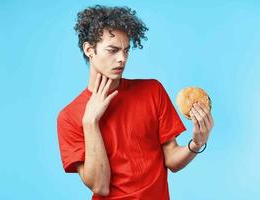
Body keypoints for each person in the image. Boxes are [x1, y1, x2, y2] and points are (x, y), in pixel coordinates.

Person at [57, 5, 214, 200]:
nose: (122, 59)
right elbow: (100, 186)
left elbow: (172, 160)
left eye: (126, 50)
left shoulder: (152, 91)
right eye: (112, 50)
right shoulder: (69, 116)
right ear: (89, 49)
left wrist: (197, 143)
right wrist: (90, 123)